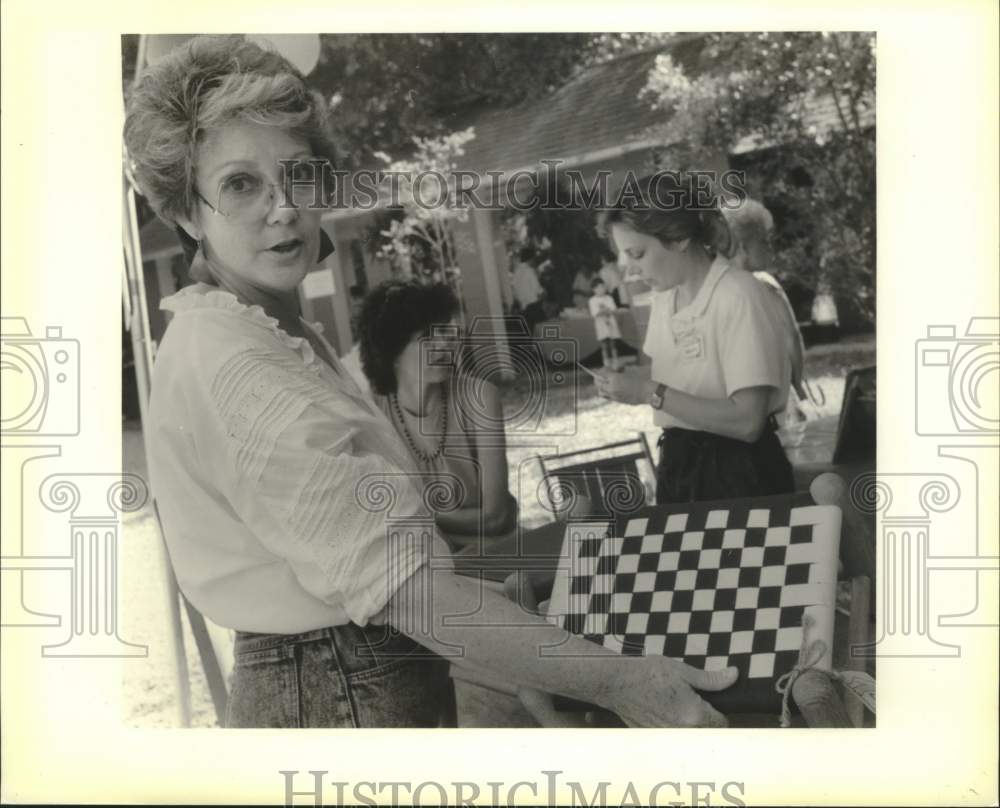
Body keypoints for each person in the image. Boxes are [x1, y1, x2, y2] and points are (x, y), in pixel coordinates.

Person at [126, 36, 733, 728]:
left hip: (357, 674)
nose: (284, 207)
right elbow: (404, 593)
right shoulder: (232, 361)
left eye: (299, 174)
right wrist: (621, 681)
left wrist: (517, 658)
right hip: (330, 693)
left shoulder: (271, 330)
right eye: (240, 184)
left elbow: (385, 571)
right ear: (184, 211)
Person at [594, 173, 795, 505]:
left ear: (679, 238)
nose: (631, 270)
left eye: (638, 254)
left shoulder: (738, 295)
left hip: (738, 473)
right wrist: (629, 382)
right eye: (625, 258)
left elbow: (747, 421)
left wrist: (647, 392)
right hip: (680, 465)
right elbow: (688, 377)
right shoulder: (664, 299)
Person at [357, 280, 518, 544]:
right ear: (392, 352)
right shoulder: (371, 415)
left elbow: (495, 517)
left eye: (444, 332)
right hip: (423, 561)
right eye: (426, 338)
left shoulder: (479, 396)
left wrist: (415, 518)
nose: (443, 345)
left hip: (495, 554)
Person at [724, 199, 807, 403]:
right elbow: (792, 337)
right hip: (774, 388)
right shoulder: (767, 286)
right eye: (763, 240)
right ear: (742, 247)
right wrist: (798, 383)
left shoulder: (717, 289)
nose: (770, 246)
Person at [588, 276, 621, 371]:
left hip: (611, 323)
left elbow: (613, 309)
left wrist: (605, 310)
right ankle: (606, 363)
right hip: (601, 325)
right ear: (594, 289)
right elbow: (595, 313)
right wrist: (604, 310)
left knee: (613, 343)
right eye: (599, 287)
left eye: (603, 287)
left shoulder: (609, 298)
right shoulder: (592, 301)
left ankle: (616, 362)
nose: (602, 289)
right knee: (604, 344)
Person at [510, 247, 546, 332]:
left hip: (523, 310)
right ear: (531, 258)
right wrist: (544, 293)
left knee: (531, 333)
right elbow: (539, 291)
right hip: (534, 307)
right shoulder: (529, 271)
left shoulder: (516, 272)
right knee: (544, 331)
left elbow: (514, 292)